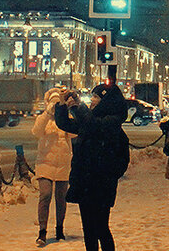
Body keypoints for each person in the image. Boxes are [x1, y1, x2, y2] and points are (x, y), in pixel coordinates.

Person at [54, 83, 130, 251]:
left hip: (102, 184)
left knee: (101, 227)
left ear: (107, 101)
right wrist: (62, 104)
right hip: (85, 182)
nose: (93, 100)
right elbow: (65, 124)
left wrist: (78, 106)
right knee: (88, 229)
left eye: (96, 97)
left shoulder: (112, 120)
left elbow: (94, 126)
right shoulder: (91, 119)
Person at [33, 88, 75, 247]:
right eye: (53, 102)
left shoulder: (64, 118)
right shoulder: (43, 119)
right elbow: (36, 132)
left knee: (61, 198)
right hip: (45, 163)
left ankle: (59, 229)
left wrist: (65, 112)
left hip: (63, 163)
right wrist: (48, 114)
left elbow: (74, 133)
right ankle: (42, 231)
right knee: (45, 195)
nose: (55, 105)